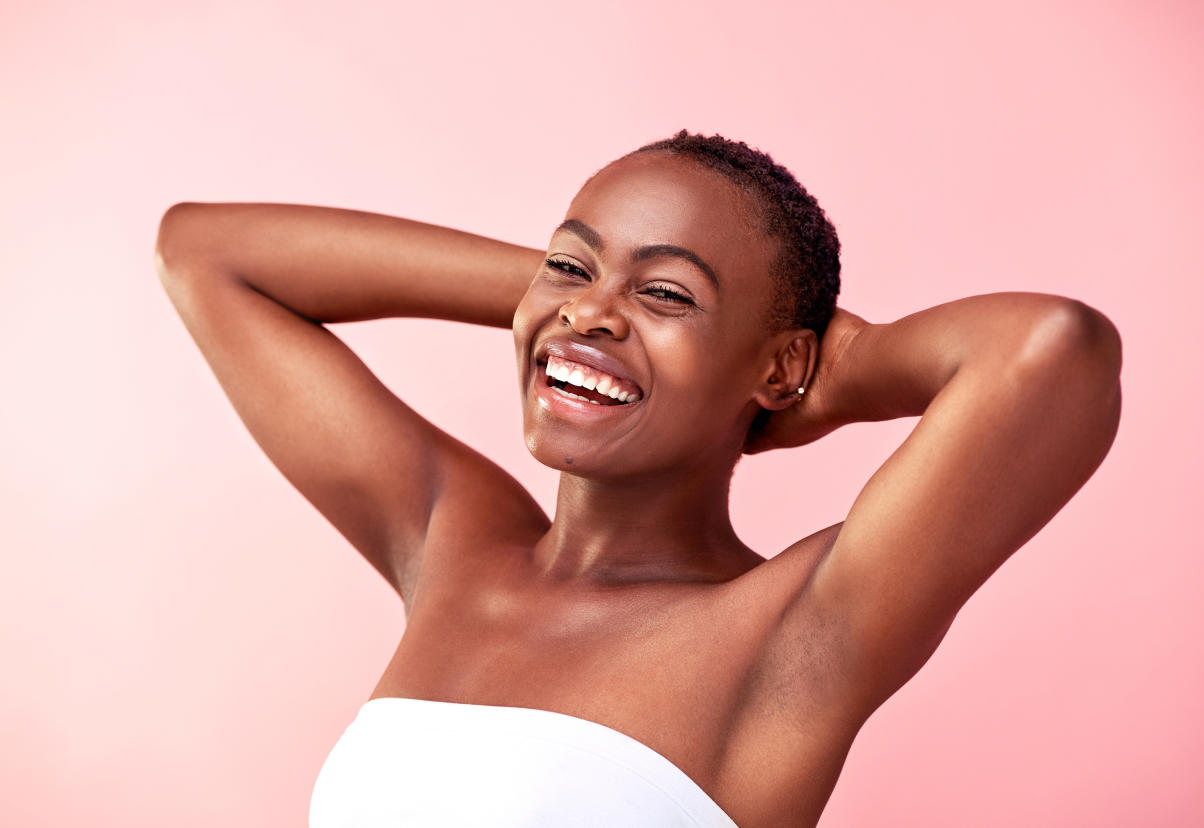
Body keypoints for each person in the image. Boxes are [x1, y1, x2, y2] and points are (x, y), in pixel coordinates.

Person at [155, 131, 1122, 827]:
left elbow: (1051, 349)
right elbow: (207, 252)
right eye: (570, 265)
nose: (591, 315)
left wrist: (826, 375)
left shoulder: (793, 635)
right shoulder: (455, 546)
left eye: (669, 293)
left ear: (781, 366)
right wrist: (576, 301)